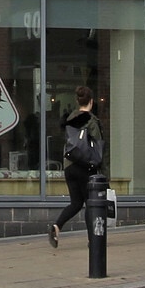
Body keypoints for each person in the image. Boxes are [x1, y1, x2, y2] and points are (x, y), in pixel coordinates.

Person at [49, 86, 103, 248]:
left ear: (77, 101)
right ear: (91, 102)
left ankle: (57, 227)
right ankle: (92, 239)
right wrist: (103, 172)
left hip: (69, 166)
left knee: (76, 203)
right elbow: (98, 149)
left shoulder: (69, 119)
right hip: (85, 166)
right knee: (90, 202)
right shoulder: (92, 121)